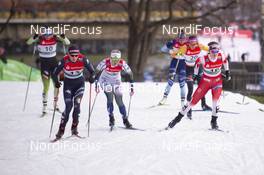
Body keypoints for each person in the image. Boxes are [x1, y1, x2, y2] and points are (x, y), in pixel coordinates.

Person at [167, 41, 230, 130]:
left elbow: (225, 61)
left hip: (217, 82)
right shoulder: (203, 58)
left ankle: (214, 122)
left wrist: (227, 71)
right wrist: (196, 75)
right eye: (213, 51)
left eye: (217, 51)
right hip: (205, 83)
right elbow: (196, 64)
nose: (215, 54)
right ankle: (176, 119)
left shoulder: (221, 55)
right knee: (191, 103)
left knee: (216, 103)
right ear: (209, 51)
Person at [52, 45, 95, 139]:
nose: (74, 57)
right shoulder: (64, 60)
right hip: (68, 85)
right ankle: (61, 130)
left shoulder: (83, 59)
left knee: (77, 105)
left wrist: (92, 78)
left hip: (79, 84)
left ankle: (74, 128)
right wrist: (56, 82)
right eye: (72, 55)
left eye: (76, 55)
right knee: (68, 107)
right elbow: (54, 73)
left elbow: (93, 71)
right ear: (68, 54)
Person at [26, 27, 70, 115]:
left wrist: (63, 37)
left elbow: (67, 42)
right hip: (44, 65)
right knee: (46, 86)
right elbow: (28, 42)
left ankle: (55, 105)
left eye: (49, 35)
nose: (48, 37)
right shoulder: (40, 38)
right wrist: (34, 37)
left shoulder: (55, 37)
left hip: (54, 64)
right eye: (46, 35)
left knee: (56, 85)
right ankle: (44, 107)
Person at [171, 35, 211, 119]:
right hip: (189, 70)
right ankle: (189, 110)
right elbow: (175, 55)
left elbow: (209, 49)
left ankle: (204, 105)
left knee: (202, 87)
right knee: (190, 89)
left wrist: (214, 51)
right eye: (191, 43)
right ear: (188, 43)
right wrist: (177, 53)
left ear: (196, 42)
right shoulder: (185, 47)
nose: (193, 45)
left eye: (194, 42)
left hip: (198, 68)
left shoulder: (199, 46)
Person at [95, 49, 134, 129]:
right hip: (105, 80)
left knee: (119, 100)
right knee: (110, 96)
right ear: (110, 58)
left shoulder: (122, 63)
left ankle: (125, 119)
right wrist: (96, 84)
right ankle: (111, 117)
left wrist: (132, 87)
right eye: (114, 59)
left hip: (116, 81)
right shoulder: (105, 62)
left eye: (117, 60)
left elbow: (130, 74)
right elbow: (96, 72)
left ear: (119, 59)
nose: (115, 62)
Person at [159, 31, 187, 108]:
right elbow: (162, 49)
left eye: (183, 39)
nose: (181, 40)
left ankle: (182, 102)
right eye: (180, 39)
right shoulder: (173, 42)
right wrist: (170, 51)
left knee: (182, 82)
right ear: (177, 38)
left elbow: (193, 52)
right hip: (174, 62)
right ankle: (164, 98)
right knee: (171, 80)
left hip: (183, 64)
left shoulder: (187, 44)